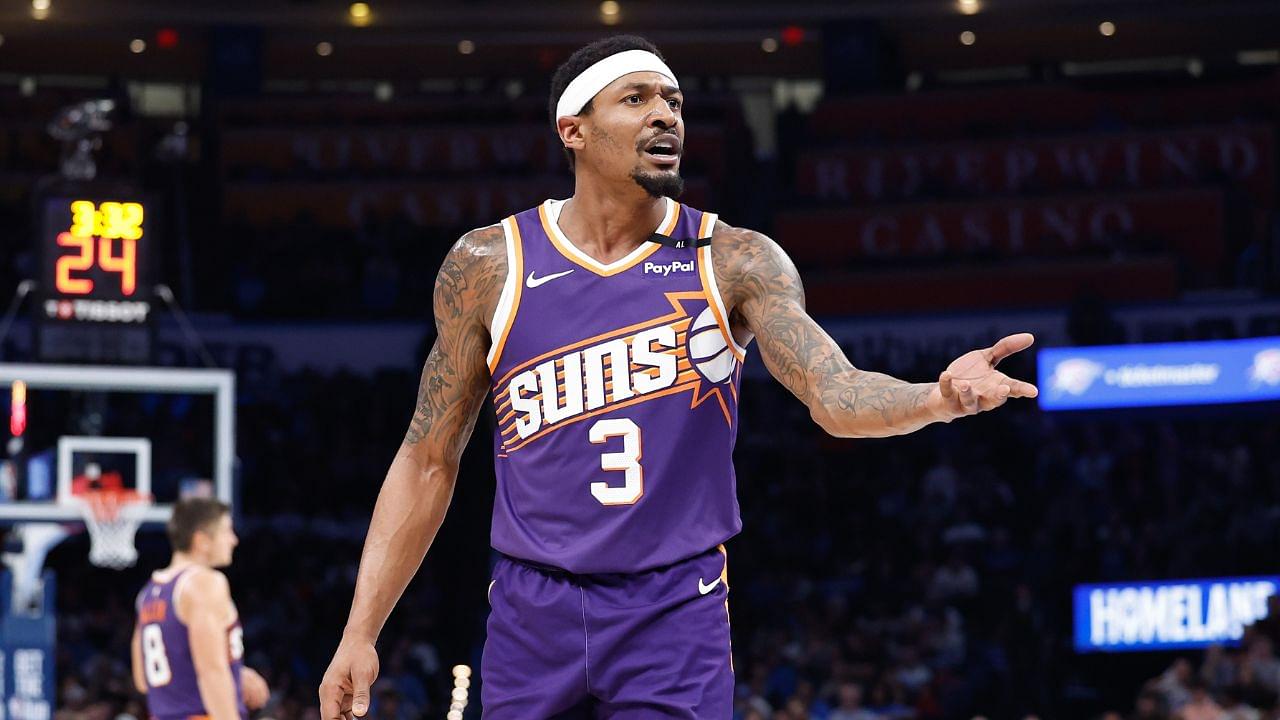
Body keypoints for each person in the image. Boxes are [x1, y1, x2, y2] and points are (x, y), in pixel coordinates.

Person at [319, 34, 1038, 719]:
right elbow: (428, 456)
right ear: (573, 129)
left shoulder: (734, 260)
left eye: (675, 101)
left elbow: (835, 394)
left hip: (673, 607)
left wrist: (937, 398)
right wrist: (360, 631)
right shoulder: (489, 264)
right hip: (530, 608)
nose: (666, 114)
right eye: (636, 99)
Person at [132, 498, 270, 720]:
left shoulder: (148, 592)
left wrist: (235, 673)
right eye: (226, 531)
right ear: (202, 541)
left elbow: (143, 679)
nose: (233, 540)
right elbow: (211, 672)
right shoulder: (204, 583)